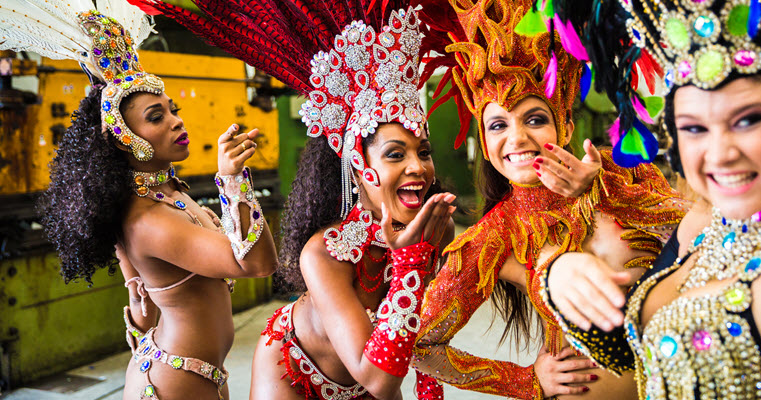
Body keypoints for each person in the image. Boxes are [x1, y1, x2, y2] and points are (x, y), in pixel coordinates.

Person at [129, 1, 460, 399]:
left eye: (423, 152)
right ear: (358, 166)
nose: (418, 168)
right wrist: (411, 262)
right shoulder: (324, 254)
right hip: (294, 374)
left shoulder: (435, 229)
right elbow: (381, 380)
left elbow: (427, 345)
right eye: (395, 154)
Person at [408, 0, 689, 398]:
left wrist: (605, 192)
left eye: (535, 119)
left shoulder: (625, 171)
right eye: (498, 125)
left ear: (566, 123)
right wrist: (526, 379)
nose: (517, 138)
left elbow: (705, 238)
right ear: (486, 145)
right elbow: (420, 345)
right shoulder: (492, 237)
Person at [2, 2, 279, 398]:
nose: (176, 120)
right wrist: (232, 181)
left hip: (183, 370)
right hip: (177, 381)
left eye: (172, 110)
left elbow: (143, 308)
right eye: (156, 116)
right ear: (125, 138)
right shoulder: (149, 220)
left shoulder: (167, 195)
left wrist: (140, 287)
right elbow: (257, 263)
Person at [543, 0, 761, 398]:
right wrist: (562, 276)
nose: (719, 154)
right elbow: (641, 355)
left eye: (748, 120)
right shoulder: (706, 220)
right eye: (695, 128)